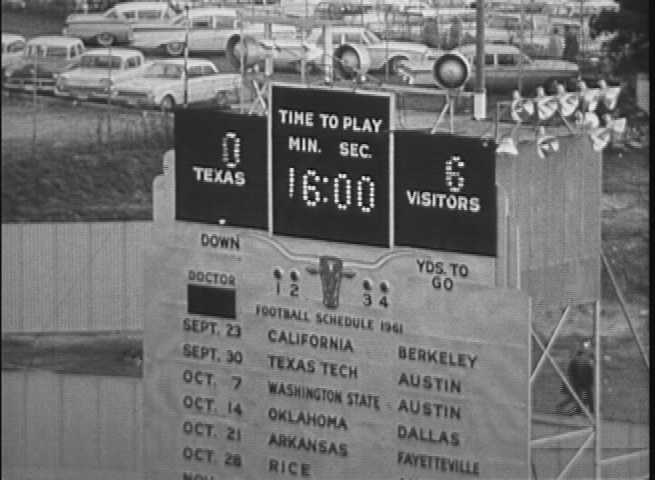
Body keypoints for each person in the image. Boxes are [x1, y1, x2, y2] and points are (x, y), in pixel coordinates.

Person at [556, 338, 594, 415]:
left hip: (584, 380)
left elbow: (589, 368)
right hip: (578, 380)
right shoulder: (577, 359)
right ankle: (578, 410)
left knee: (587, 395)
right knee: (576, 397)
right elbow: (572, 370)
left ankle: (588, 410)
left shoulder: (587, 357)